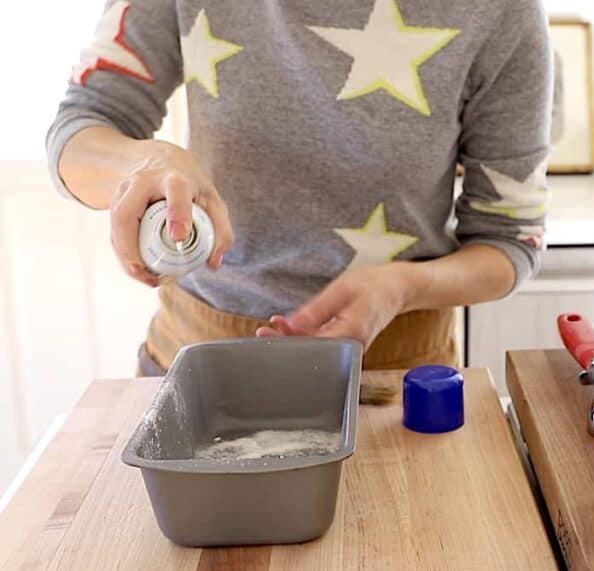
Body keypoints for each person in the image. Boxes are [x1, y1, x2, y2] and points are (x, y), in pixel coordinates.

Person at [46, 0, 553, 374]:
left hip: (396, 377)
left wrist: (401, 288)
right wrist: (143, 163)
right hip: (196, 356)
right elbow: (82, 125)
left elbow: (510, 240)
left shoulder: (503, 14)